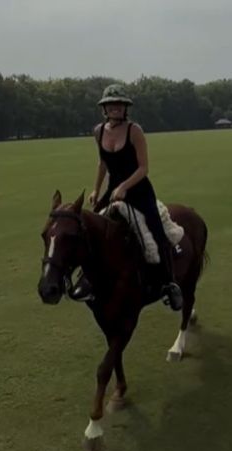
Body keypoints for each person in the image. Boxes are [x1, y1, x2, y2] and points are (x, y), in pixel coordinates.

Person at [71, 84, 183, 310]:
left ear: (125, 107)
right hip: (113, 189)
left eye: (119, 104)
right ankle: (87, 278)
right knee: (92, 228)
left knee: (156, 229)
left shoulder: (135, 131)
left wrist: (124, 186)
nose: (115, 108)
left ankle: (169, 284)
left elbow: (143, 168)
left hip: (138, 189)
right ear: (104, 107)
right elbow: (102, 163)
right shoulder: (99, 131)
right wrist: (95, 190)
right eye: (111, 104)